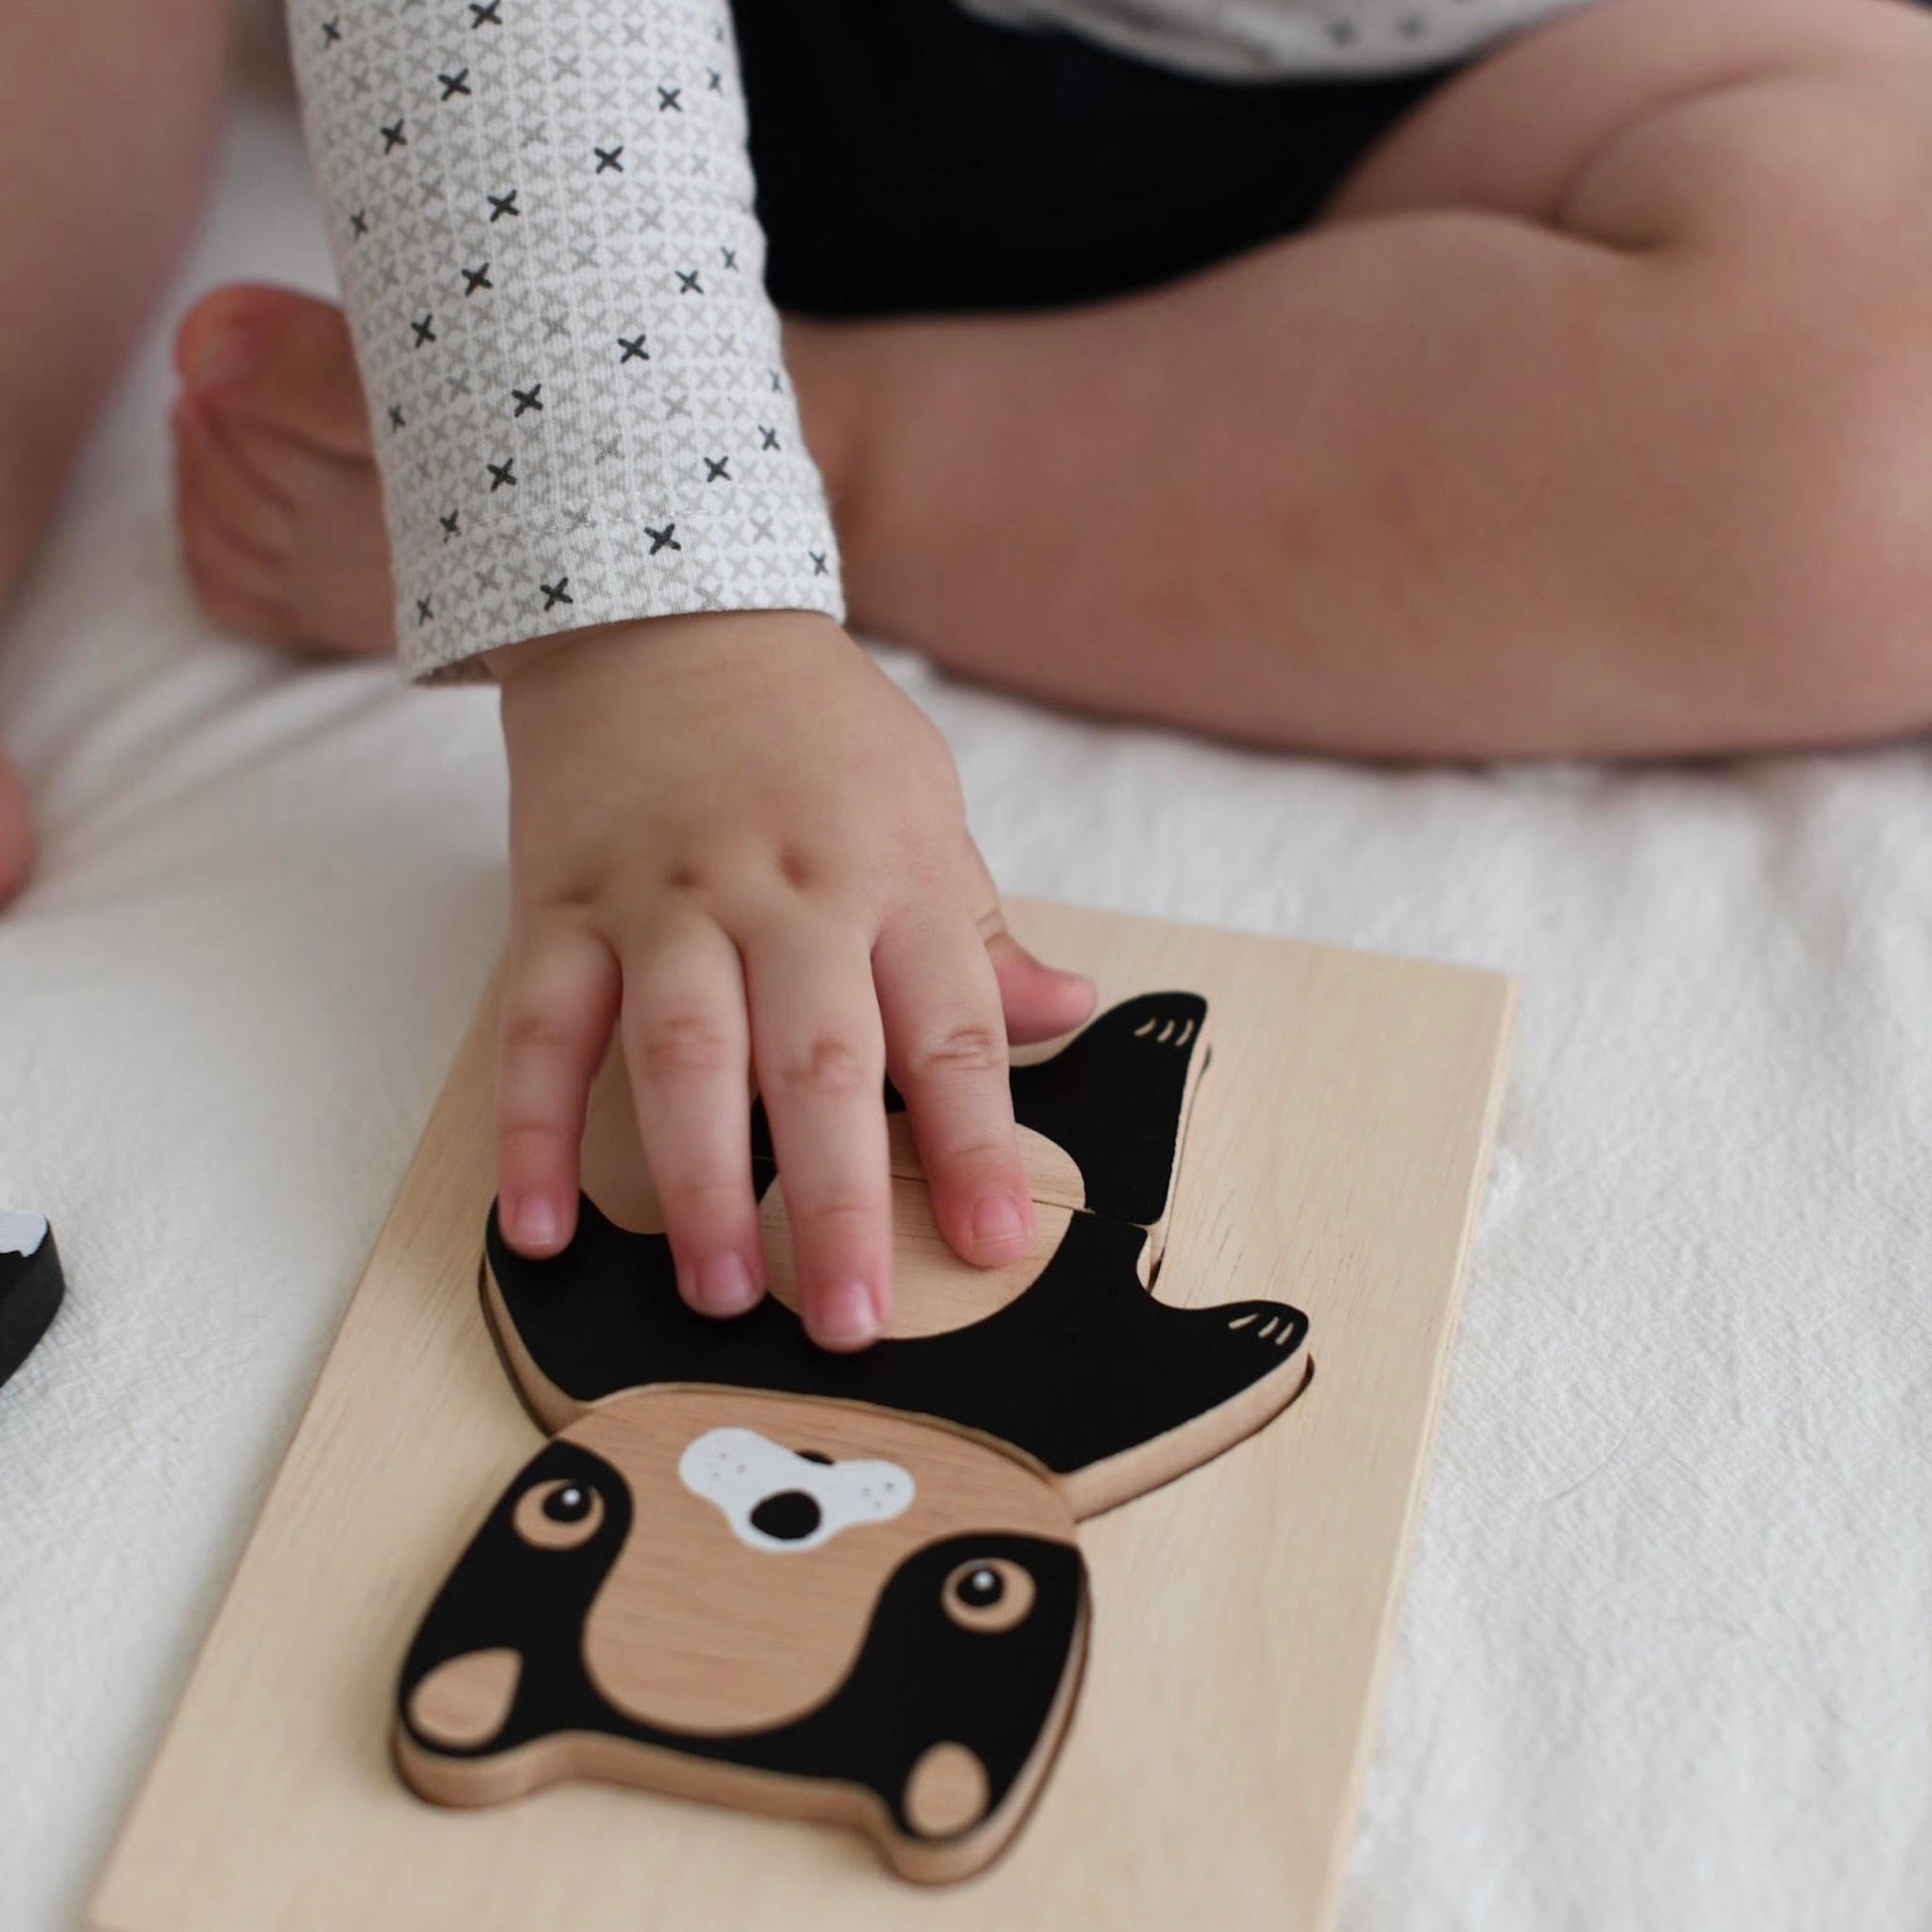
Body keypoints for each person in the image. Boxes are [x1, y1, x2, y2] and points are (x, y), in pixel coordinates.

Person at [5, 0, 1931, 1348]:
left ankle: (829, 450)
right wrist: (640, 603)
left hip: (1452, 90)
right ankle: (604, 456)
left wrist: (647, 528)